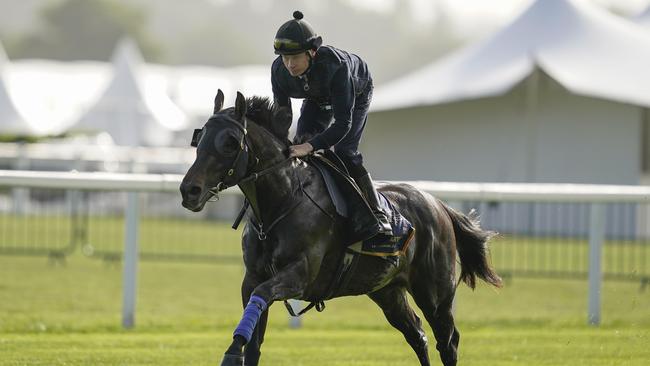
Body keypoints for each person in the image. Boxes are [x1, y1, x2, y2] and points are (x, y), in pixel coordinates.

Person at [271, 10, 392, 236]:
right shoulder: (278, 71)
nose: (289, 65)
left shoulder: (336, 66)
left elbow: (343, 123)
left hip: (356, 92)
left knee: (345, 151)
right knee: (300, 145)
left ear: (312, 52)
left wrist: (311, 146)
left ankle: (376, 215)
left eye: (295, 57)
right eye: (285, 58)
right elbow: (282, 116)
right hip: (317, 97)